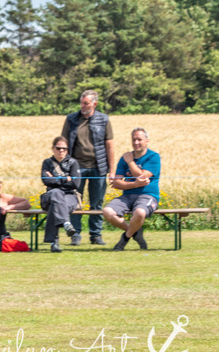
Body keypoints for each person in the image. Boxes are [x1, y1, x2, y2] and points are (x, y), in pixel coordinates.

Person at [61, 89, 115, 246]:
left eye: (86, 103)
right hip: (76, 167)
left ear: (94, 104)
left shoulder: (103, 120)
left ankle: (95, 234)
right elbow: (63, 144)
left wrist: (111, 171)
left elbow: (109, 145)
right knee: (75, 201)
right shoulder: (71, 120)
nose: (82, 106)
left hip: (98, 167)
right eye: (81, 103)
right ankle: (75, 234)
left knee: (97, 202)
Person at [104, 127, 161, 251]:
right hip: (127, 197)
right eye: (134, 140)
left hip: (148, 196)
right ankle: (136, 232)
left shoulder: (153, 157)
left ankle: (125, 238)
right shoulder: (124, 158)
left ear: (147, 141)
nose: (136, 143)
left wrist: (130, 162)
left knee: (140, 212)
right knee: (107, 212)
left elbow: (142, 176)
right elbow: (117, 183)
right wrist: (135, 184)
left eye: (139, 139)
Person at [40, 136, 82, 253]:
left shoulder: (73, 163)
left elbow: (76, 183)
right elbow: (45, 181)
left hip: (69, 196)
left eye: (64, 148)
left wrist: (55, 180)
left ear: (67, 150)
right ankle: (67, 223)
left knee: (56, 204)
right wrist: (65, 179)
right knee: (56, 193)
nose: (61, 151)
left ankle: (54, 243)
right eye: (58, 148)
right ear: (53, 149)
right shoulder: (47, 163)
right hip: (51, 195)